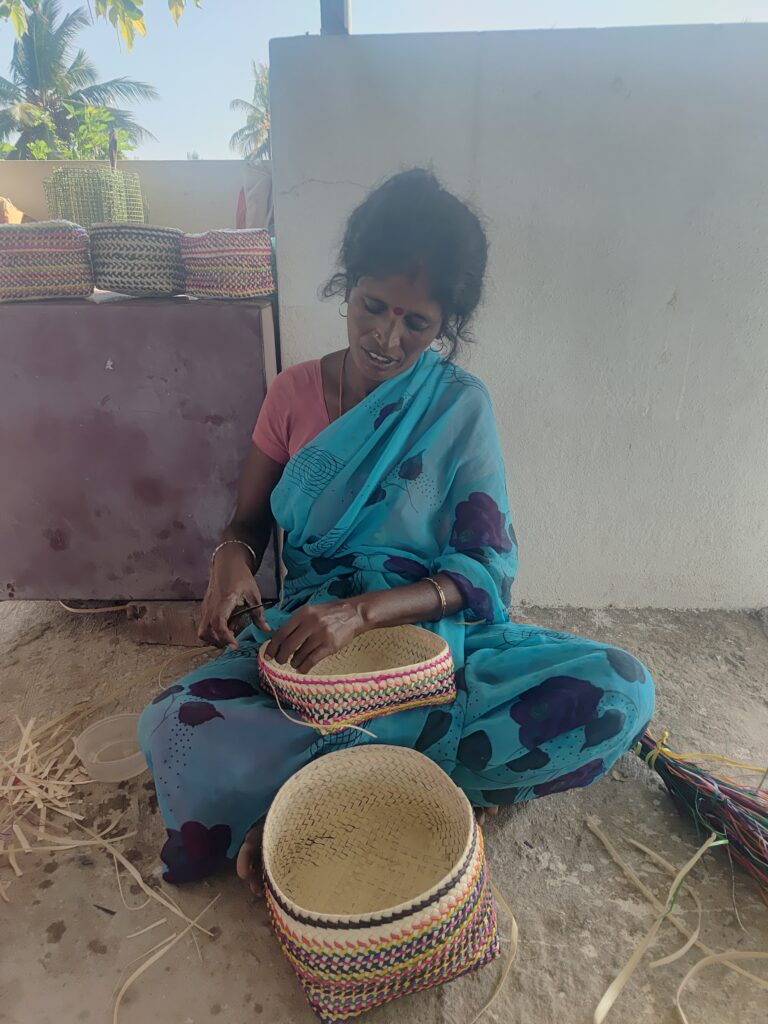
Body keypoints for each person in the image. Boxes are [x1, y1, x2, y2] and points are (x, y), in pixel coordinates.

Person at [138, 169, 655, 888]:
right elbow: (248, 522)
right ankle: (405, 788)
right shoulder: (292, 394)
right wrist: (229, 560)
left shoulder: (460, 407)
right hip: (309, 643)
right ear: (347, 285)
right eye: (373, 307)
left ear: (446, 325)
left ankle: (316, 795)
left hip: (431, 645)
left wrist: (362, 614)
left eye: (417, 323)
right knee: (172, 724)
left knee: (620, 690)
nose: (386, 338)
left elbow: (485, 566)